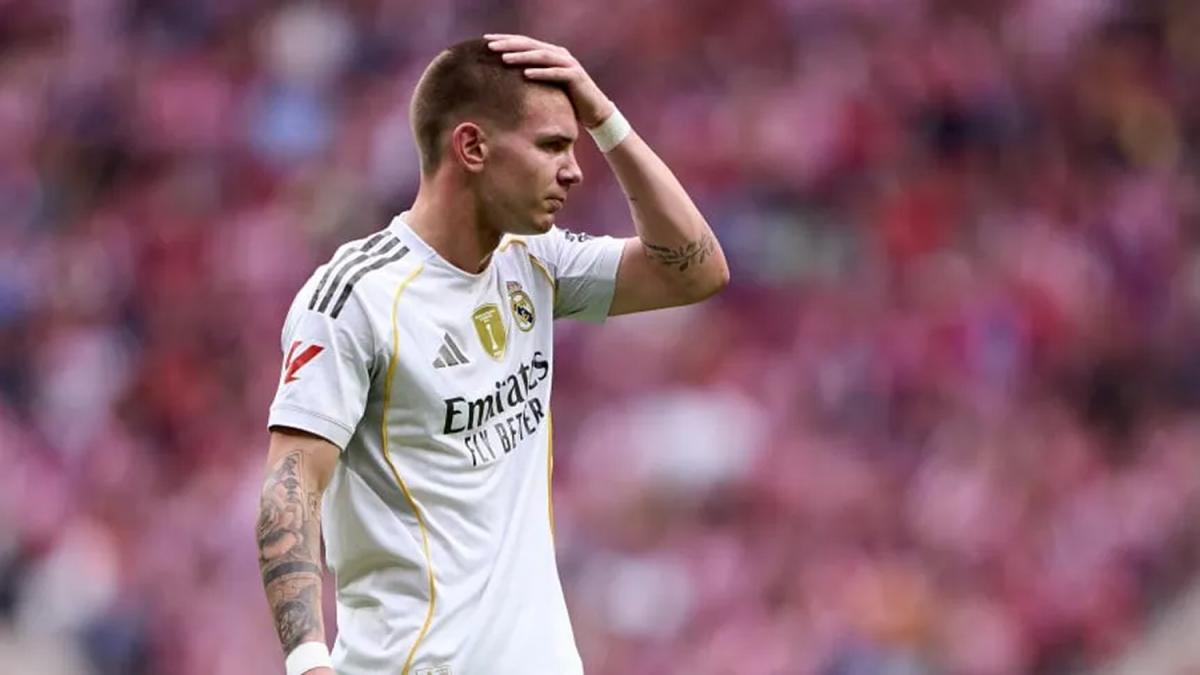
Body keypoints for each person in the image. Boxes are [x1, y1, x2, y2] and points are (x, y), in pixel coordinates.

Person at [255, 34, 729, 675]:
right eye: (552, 146)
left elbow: (694, 270)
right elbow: (292, 484)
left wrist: (606, 118)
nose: (574, 169)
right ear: (472, 147)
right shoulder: (355, 298)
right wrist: (308, 660)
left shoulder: (533, 260)